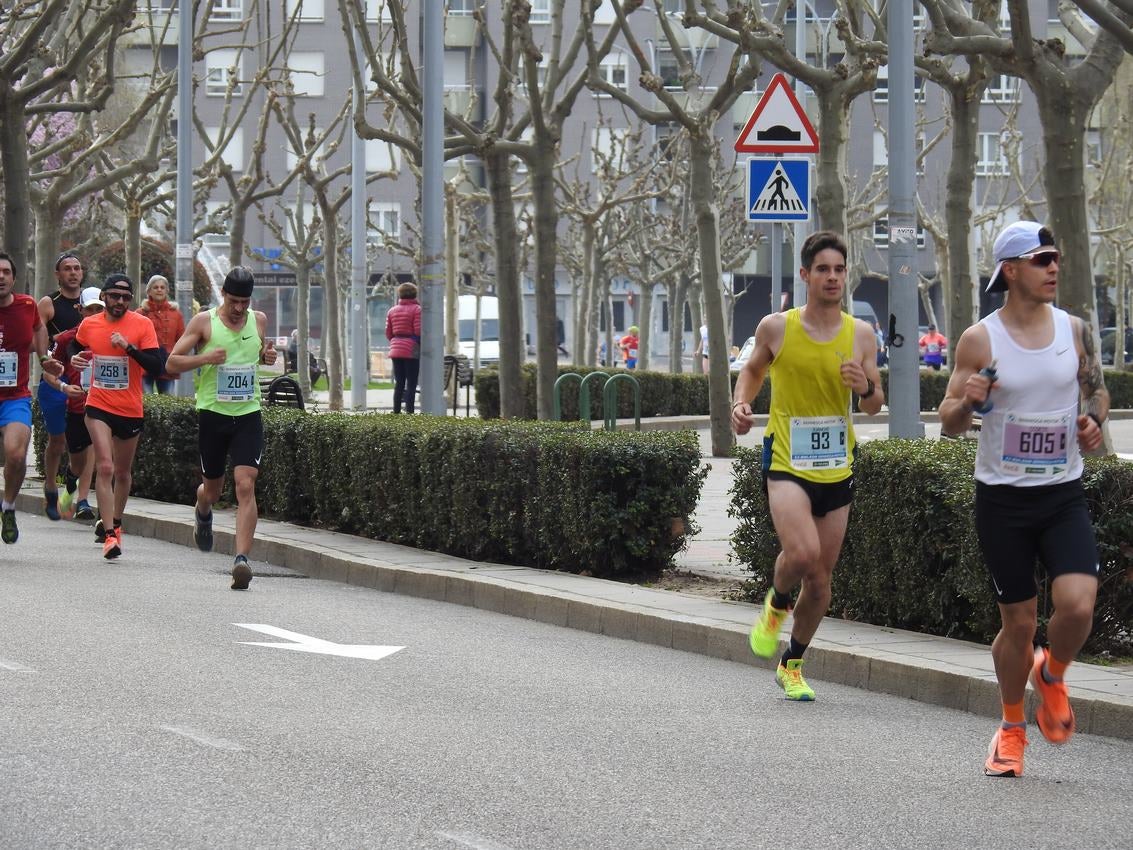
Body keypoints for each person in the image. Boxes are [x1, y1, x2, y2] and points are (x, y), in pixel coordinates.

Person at [939, 221, 1107, 778]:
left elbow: (1096, 390)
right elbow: (948, 424)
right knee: (1018, 626)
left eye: (1056, 258)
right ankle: (1012, 730)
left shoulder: (1074, 329)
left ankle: (1053, 674)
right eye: (1042, 259)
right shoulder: (980, 339)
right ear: (1011, 270)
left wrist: (1094, 422)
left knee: (1078, 604)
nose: (1054, 267)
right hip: (1003, 499)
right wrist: (968, 400)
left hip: (1061, 493)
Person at [731, 231, 884, 701]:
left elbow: (876, 404)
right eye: (823, 269)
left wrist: (864, 386)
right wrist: (741, 403)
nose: (833, 277)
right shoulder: (777, 327)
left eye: (839, 269)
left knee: (820, 578)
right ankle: (775, 606)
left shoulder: (860, 334)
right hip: (787, 459)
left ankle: (792, 662)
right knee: (801, 555)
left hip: (837, 463)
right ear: (806, 275)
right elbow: (754, 369)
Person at [166, 266, 278, 590]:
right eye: (233, 301)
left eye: (244, 301)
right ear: (223, 295)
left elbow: (259, 354)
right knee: (212, 491)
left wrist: (267, 356)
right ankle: (202, 509)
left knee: (246, 484)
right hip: (213, 414)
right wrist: (204, 359)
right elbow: (172, 362)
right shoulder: (204, 323)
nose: (239, 308)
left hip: (248, 413)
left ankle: (241, 560)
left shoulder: (258, 320)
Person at [71, 273, 164, 560]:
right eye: (115, 296)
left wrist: (129, 348)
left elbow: (157, 365)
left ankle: (117, 523)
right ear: (105, 297)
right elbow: (75, 343)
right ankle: (109, 534)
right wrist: (76, 357)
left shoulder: (142, 324)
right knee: (106, 467)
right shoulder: (91, 324)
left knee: (123, 473)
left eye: (126, 298)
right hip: (98, 405)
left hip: (130, 408)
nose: (120, 302)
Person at [0, 252, 64, 543]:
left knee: (16, 454)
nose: (0, 276)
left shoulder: (26, 305)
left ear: (14, 278)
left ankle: (9, 506)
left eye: (5, 272)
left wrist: (43, 356)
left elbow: (39, 328)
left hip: (14, 397)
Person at [42, 287, 104, 521]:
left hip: (105, 406)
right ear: (80, 310)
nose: (96, 313)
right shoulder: (67, 338)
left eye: (100, 309)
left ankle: (105, 520)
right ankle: (70, 484)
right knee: (78, 460)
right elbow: (49, 373)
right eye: (91, 309)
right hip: (78, 407)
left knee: (104, 460)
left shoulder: (114, 336)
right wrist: (64, 388)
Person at [36, 250, 85, 521]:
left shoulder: (92, 301)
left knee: (84, 440)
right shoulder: (49, 303)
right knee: (58, 440)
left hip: (85, 378)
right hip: (57, 379)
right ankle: (51, 486)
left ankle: (77, 490)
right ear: (58, 274)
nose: (73, 272)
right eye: (67, 268)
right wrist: (46, 358)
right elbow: (36, 334)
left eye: (77, 268)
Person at [135, 274, 185, 394]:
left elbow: (182, 339)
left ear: (167, 291)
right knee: (145, 401)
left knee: (168, 401)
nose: (159, 290)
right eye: (155, 287)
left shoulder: (176, 314)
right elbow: (134, 338)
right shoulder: (139, 313)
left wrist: (177, 357)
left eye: (162, 287)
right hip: (145, 362)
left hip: (167, 363)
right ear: (149, 291)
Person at [385, 282, 421, 414]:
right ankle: (410, 412)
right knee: (411, 383)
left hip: (396, 348)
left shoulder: (392, 310)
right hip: (411, 349)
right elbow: (418, 331)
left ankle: (396, 412)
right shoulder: (417, 310)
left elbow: (388, 333)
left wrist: (397, 341)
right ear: (414, 294)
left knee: (399, 382)